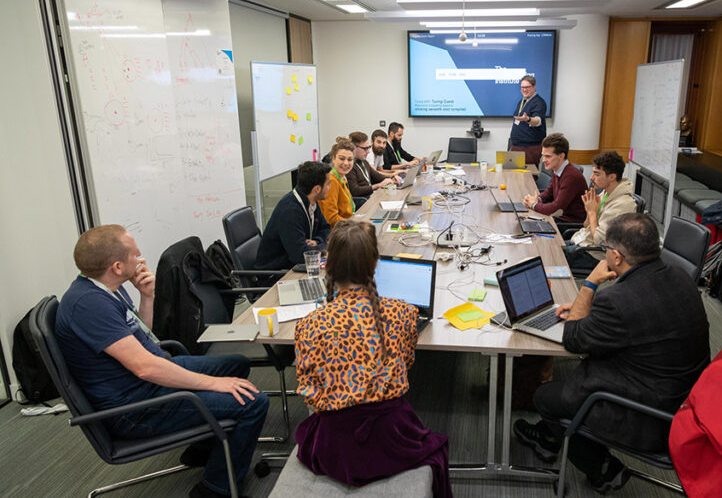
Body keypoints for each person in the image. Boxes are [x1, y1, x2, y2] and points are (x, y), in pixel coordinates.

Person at [56, 225, 269, 498]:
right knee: (254, 402)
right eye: (134, 253)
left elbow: (142, 337)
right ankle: (216, 489)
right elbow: (144, 367)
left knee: (236, 364)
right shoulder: (89, 305)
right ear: (117, 266)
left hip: (146, 380)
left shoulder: (104, 287)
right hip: (137, 409)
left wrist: (147, 296)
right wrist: (215, 384)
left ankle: (203, 444)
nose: (141, 256)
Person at [513, 213, 710, 493]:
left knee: (545, 396)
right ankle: (547, 441)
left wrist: (590, 284)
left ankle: (603, 468)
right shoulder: (680, 276)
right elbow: (642, 319)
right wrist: (592, 313)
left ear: (616, 257)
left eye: (605, 249)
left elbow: (572, 339)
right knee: (575, 382)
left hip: (649, 416)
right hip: (688, 400)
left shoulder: (616, 300)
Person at [293, 220, 452, 497]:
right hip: (392, 439)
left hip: (334, 446)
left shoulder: (308, 325)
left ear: (328, 266)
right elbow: (405, 364)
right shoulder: (404, 313)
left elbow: (311, 393)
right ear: (375, 264)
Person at [563, 151, 636, 271]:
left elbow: (599, 241)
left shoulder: (623, 204)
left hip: (594, 255)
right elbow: (586, 225)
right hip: (581, 243)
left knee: (549, 257)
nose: (591, 178)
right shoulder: (606, 192)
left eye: (597, 174)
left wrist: (592, 212)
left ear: (612, 177)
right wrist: (589, 210)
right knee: (547, 247)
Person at [255, 160, 332, 272]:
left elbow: (325, 229)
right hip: (276, 274)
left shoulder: (311, 202)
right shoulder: (290, 211)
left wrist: (316, 241)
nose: (329, 187)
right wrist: (323, 249)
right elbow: (300, 255)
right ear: (317, 189)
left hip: (294, 266)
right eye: (328, 184)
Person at [523, 133, 588, 225]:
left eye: (548, 156)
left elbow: (556, 208)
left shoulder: (571, 176)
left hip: (568, 224)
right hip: (559, 219)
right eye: (543, 156)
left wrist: (534, 205)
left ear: (561, 156)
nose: (544, 160)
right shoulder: (558, 170)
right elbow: (549, 193)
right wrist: (537, 199)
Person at [508, 75, 547, 165]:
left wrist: (528, 119)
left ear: (533, 87)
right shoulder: (522, 101)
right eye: (522, 87)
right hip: (517, 146)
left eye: (527, 87)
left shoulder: (539, 102)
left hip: (529, 147)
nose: (524, 90)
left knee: (527, 176)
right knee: (514, 175)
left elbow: (538, 121)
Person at [318, 137, 357, 227]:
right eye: (342, 159)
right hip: (338, 232)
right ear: (333, 159)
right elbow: (331, 219)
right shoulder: (331, 182)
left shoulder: (341, 178)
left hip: (346, 225)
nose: (346, 163)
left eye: (350, 159)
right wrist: (353, 225)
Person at [346, 131, 397, 199]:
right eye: (365, 148)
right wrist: (378, 185)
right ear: (354, 148)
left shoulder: (364, 162)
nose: (368, 151)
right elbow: (355, 191)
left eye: (368, 147)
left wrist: (392, 178)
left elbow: (377, 176)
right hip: (362, 202)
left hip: (369, 197)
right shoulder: (349, 166)